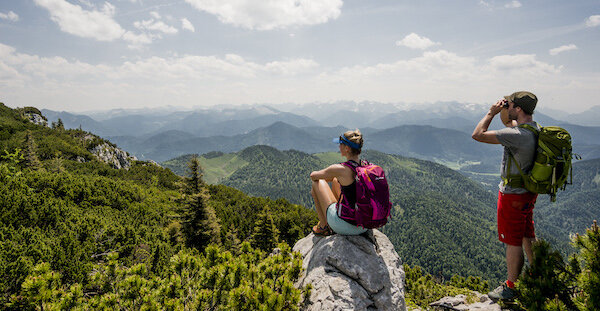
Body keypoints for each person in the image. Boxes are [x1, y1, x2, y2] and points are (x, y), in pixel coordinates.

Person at [471, 91, 540, 301]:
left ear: (518, 108)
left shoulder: (517, 136)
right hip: (528, 192)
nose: (507, 107)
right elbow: (510, 122)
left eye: (510, 104)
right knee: (527, 233)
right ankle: (539, 273)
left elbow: (478, 134)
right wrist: (505, 109)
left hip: (512, 195)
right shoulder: (534, 129)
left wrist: (491, 113)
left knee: (512, 241)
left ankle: (511, 287)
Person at [310, 129, 368, 236]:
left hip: (346, 227)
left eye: (340, 144)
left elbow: (313, 176)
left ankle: (323, 226)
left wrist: (330, 175)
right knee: (336, 180)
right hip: (364, 226)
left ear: (347, 148)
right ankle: (342, 211)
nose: (338, 147)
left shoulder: (340, 169)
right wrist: (333, 177)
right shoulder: (366, 166)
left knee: (317, 183)